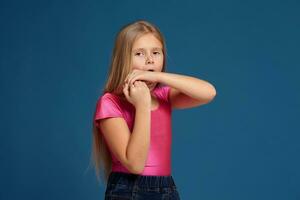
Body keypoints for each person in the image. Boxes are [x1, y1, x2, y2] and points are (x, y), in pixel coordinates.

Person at [91, 20, 217, 199]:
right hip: (129, 189)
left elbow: (208, 92)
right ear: (123, 59)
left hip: (166, 187)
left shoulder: (163, 95)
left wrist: (156, 75)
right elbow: (135, 164)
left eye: (156, 53)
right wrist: (142, 105)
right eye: (139, 53)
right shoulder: (109, 103)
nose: (150, 59)